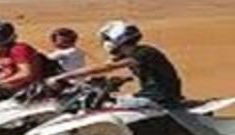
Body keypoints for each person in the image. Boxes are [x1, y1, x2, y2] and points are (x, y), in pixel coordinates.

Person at [49, 21, 183, 108]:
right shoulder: (130, 54)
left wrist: (61, 77)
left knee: (108, 108)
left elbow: (106, 68)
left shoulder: (143, 52)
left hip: (159, 98)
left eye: (106, 39)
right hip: (151, 96)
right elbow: (104, 67)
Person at [0, 20, 44, 110]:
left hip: (26, 90)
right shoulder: (3, 52)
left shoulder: (19, 49)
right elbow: (7, 70)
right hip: (11, 88)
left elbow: (26, 73)